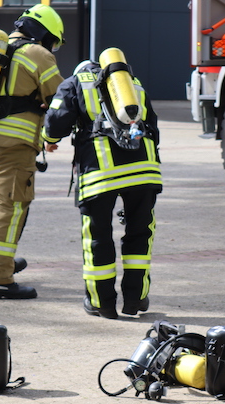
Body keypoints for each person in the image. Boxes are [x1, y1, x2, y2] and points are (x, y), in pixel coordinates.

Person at [43, 53, 162, 319]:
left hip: (100, 173)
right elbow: (152, 125)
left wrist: (48, 139)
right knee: (140, 234)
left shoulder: (74, 82)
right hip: (144, 171)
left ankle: (102, 303)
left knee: (97, 237)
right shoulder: (132, 83)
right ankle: (135, 299)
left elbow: (55, 121)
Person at [0, 3, 65, 300]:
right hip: (15, 145)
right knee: (10, 208)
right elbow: (59, 99)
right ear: (45, 34)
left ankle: (0, 263)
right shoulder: (38, 54)